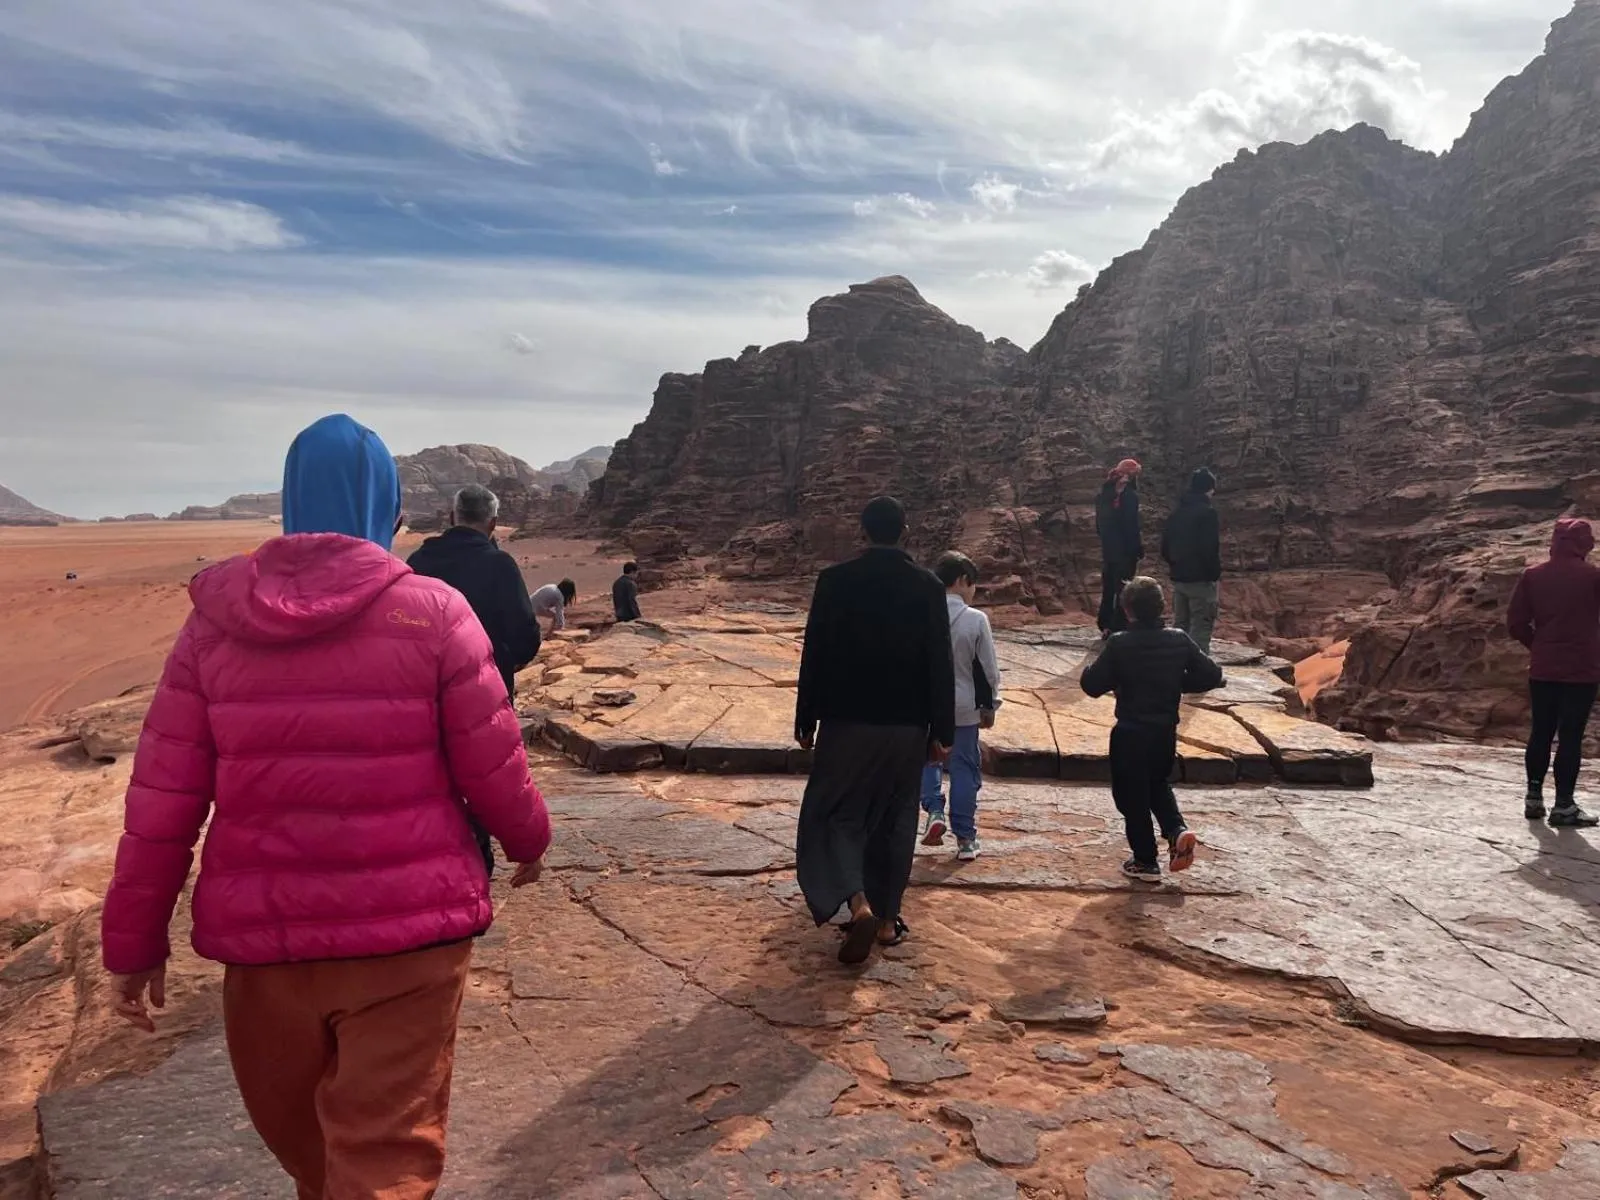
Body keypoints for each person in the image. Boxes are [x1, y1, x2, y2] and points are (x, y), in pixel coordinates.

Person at [100, 414, 552, 1200]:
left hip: (267, 945)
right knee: (379, 1160)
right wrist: (528, 840)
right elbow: (494, 759)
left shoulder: (212, 628)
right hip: (410, 937)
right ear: (391, 513)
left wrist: (134, 943)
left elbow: (163, 799)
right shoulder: (435, 613)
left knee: (312, 1158)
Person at [795, 496, 956, 965]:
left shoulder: (834, 581)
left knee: (834, 814)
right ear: (905, 532)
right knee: (895, 818)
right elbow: (939, 664)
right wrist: (941, 731)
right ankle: (887, 922)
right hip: (906, 727)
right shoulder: (927, 586)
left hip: (845, 723)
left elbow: (815, 654)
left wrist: (806, 717)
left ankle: (856, 901)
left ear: (861, 532)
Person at [407, 483, 543, 874]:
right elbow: (524, 634)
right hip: (486, 693)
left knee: (431, 781)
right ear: (494, 522)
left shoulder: (419, 560)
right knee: (486, 776)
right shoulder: (499, 566)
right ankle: (473, 869)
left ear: (452, 517)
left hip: (422, 695)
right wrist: (500, 661)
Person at [1080, 576, 1223, 881]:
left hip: (1130, 732)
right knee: (1157, 783)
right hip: (1164, 731)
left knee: (1131, 796)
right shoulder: (1179, 639)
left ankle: (1145, 860)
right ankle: (1176, 830)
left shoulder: (1120, 643)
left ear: (1127, 610)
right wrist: (1176, 684)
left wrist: (1100, 665)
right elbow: (1212, 675)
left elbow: (1091, 685)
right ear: (1161, 607)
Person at [1508, 517, 1600, 827]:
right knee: (1571, 735)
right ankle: (1564, 806)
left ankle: (1534, 797)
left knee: (1541, 731)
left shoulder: (1533, 576)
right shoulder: (1593, 577)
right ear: (1583, 543)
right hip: (1582, 668)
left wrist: (1539, 646)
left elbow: (1516, 623)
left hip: (1543, 667)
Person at [920, 551, 1002, 862]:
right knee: (965, 768)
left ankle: (934, 811)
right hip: (965, 707)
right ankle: (966, 838)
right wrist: (991, 705)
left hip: (927, 706)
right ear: (962, 580)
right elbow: (989, 669)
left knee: (929, 761)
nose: (974, 591)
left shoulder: (922, 614)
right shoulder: (975, 619)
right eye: (973, 585)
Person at [1161, 467, 1223, 654]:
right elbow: (1209, 548)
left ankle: (1176, 665)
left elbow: (1165, 547)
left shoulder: (1177, 513)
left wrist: (1175, 566)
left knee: (1181, 624)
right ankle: (1197, 672)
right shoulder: (1207, 513)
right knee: (1201, 625)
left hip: (1179, 577)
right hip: (1201, 579)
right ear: (1209, 488)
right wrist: (1213, 575)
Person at [1095, 458, 1144, 636]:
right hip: (1125, 552)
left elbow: (1099, 527)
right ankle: (1118, 627)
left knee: (1109, 588)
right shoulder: (1129, 496)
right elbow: (1131, 526)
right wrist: (1137, 549)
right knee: (1124, 590)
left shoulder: (1103, 495)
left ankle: (1105, 624)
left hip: (1108, 551)